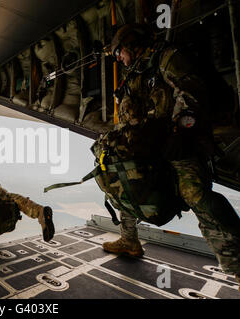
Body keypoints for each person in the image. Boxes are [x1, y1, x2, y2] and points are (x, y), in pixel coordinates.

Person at [100, 24, 240, 283]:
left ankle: (238, 264)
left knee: (196, 195)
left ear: (131, 44)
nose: (118, 58)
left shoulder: (166, 57)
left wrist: (181, 132)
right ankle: (130, 241)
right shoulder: (136, 73)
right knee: (125, 186)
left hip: (179, 143)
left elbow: (191, 91)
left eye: (118, 52)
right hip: (149, 146)